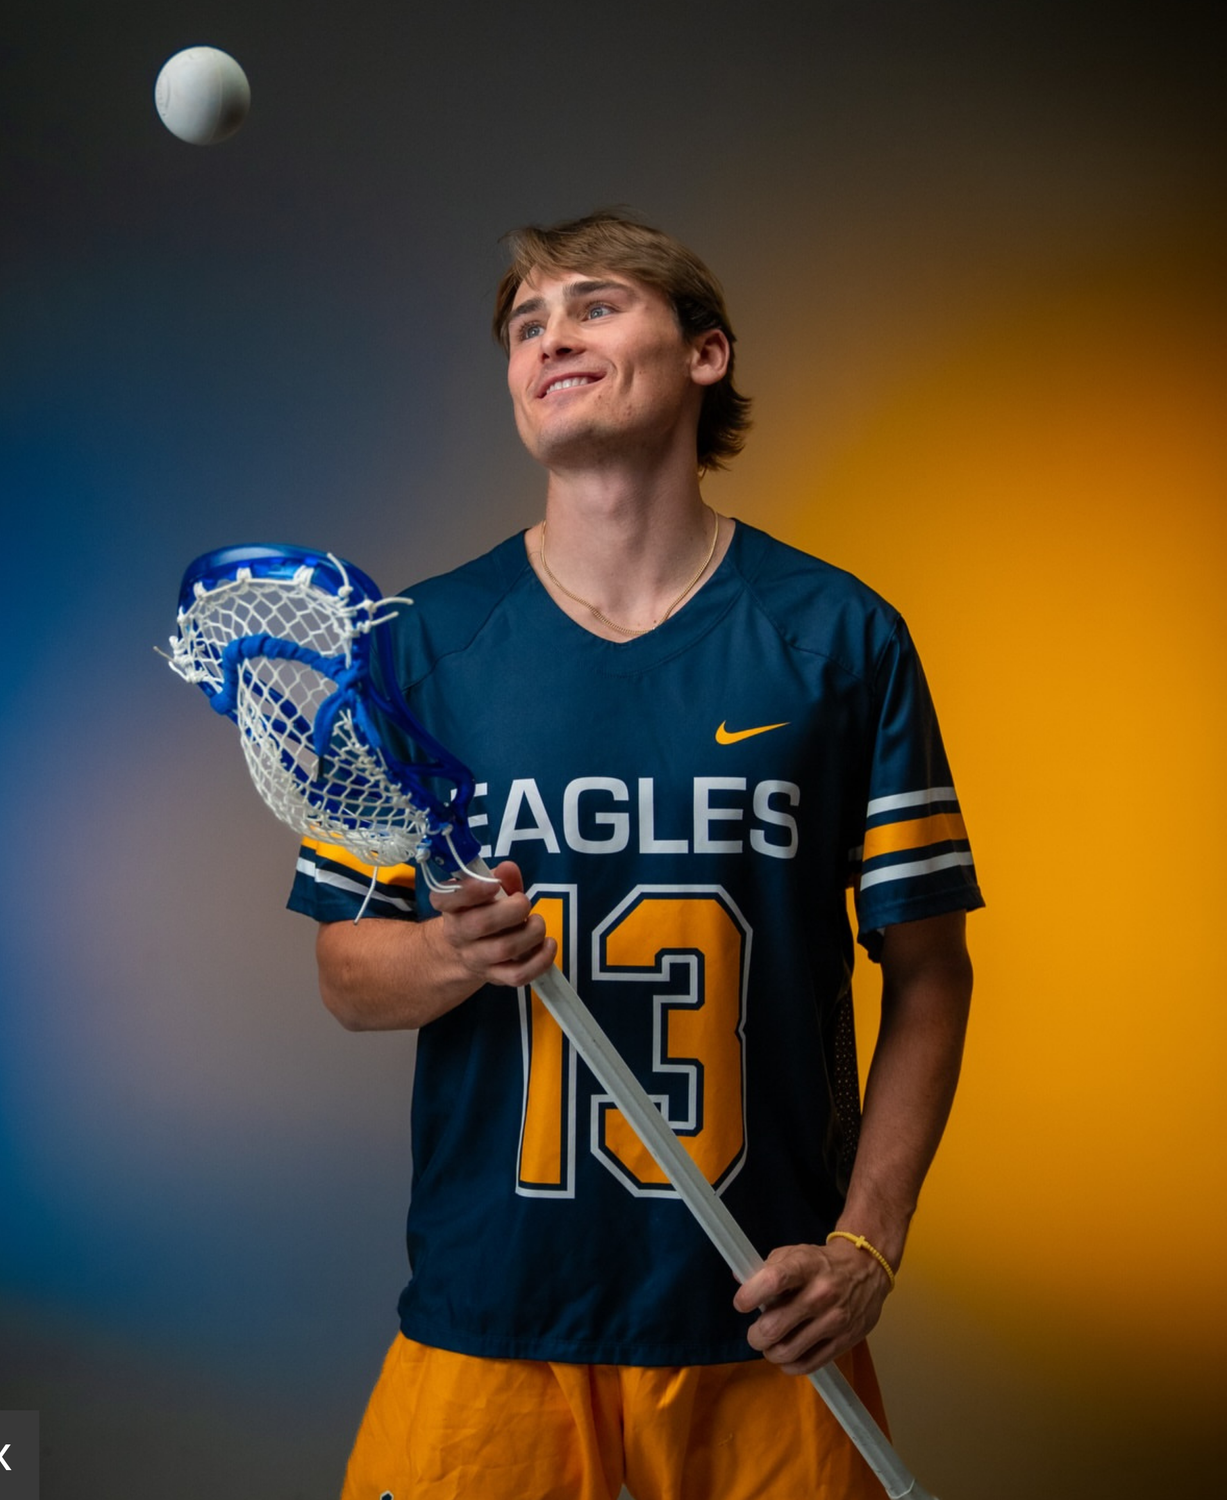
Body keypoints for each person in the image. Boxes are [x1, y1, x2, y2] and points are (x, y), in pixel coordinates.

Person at [289, 210, 980, 1500]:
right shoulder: (420, 648)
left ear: (706, 353)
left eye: (594, 306)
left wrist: (867, 1246)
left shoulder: (839, 637)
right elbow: (345, 973)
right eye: (525, 325)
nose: (550, 335)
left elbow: (931, 972)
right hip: (490, 1317)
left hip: (759, 1317)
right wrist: (446, 951)